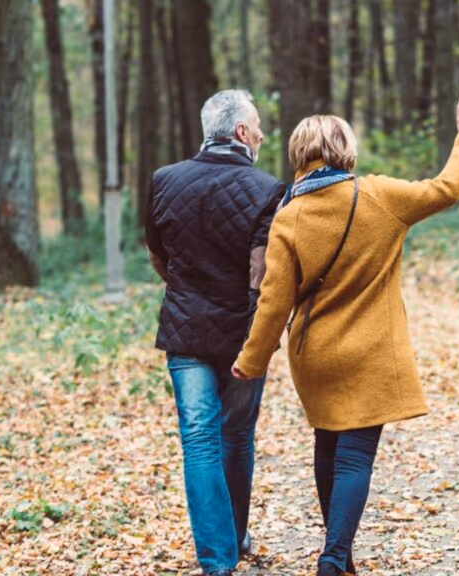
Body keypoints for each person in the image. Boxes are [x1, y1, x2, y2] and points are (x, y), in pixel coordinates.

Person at [231, 96, 459, 576]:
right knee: (355, 458)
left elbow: (273, 302)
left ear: (299, 152)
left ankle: (341, 560)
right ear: (344, 148)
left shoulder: (289, 216)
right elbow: (445, 189)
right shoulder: (380, 196)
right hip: (370, 353)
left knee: (327, 449)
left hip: (316, 358)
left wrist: (252, 359)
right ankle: (331, 559)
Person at [146, 89, 284, 576]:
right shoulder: (269, 189)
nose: (264, 134)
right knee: (236, 435)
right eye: (259, 126)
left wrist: (187, 291)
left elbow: (158, 255)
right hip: (243, 334)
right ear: (242, 133)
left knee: (199, 440)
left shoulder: (164, 181)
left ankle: (217, 560)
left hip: (185, 330)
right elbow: (262, 273)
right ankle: (236, 534)